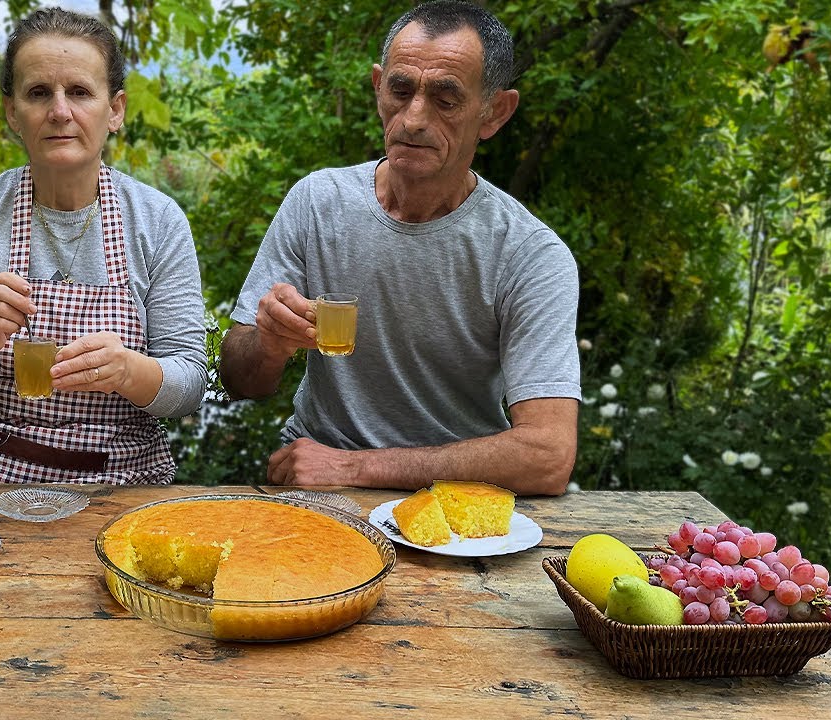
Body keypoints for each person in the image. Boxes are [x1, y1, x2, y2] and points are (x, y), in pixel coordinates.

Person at [219, 1, 579, 496]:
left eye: (446, 98)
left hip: (454, 498)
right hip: (314, 484)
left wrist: (353, 468)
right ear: (377, 87)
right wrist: (270, 344)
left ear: (494, 112)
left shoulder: (529, 254)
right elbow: (241, 381)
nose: (413, 119)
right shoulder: (317, 202)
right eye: (401, 89)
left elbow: (548, 456)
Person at [0, 7, 206, 484]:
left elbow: (190, 385)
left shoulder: (157, 221)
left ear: (114, 110)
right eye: (38, 93)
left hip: (118, 491)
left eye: (79, 91)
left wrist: (127, 370)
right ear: (13, 112)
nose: (59, 111)